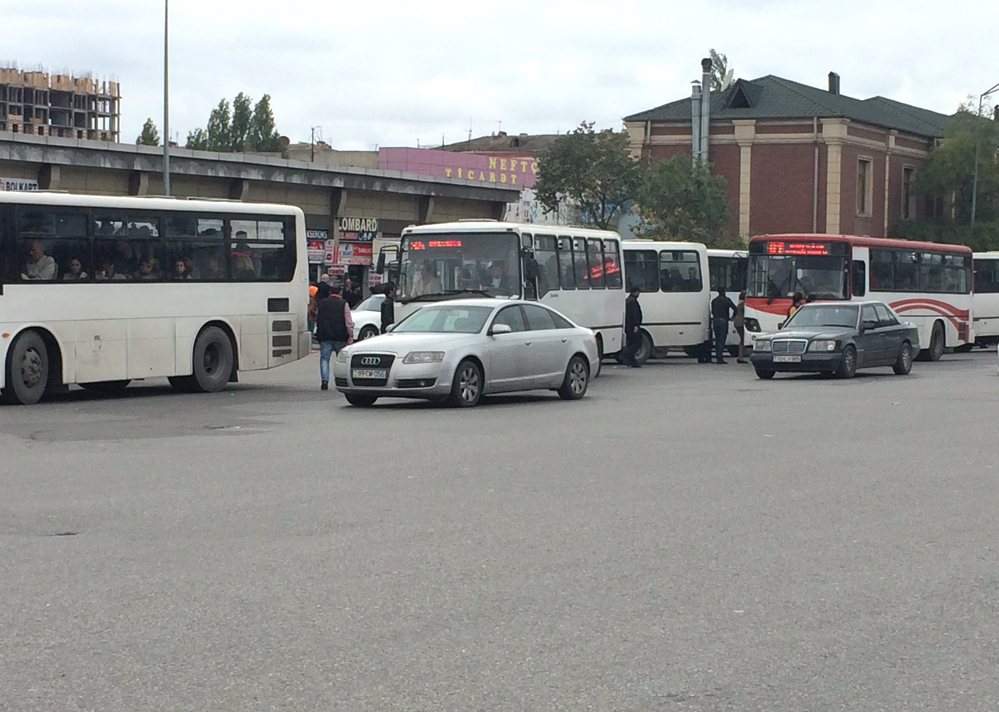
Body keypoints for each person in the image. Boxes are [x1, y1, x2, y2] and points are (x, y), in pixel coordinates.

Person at [315, 282, 354, 391]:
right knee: (341, 359)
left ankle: (324, 380)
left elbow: (318, 319)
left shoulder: (322, 303)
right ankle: (341, 379)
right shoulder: (343, 304)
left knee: (324, 359)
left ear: (329, 292)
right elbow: (348, 321)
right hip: (340, 336)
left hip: (325, 335)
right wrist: (350, 334)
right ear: (340, 292)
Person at [710, 286, 737, 364]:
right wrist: (732, 317)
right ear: (724, 291)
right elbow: (735, 309)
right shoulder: (726, 300)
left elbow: (712, 311)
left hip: (715, 320)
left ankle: (717, 356)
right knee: (722, 339)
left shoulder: (714, 300)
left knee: (717, 339)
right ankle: (720, 358)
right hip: (723, 320)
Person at [623, 285, 643, 368]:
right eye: (638, 292)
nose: (639, 293)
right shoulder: (632, 302)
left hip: (628, 326)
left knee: (630, 343)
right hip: (632, 326)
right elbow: (634, 314)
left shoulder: (628, 300)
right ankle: (626, 356)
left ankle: (631, 361)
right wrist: (636, 324)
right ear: (636, 292)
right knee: (638, 342)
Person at [734, 290, 747, 363]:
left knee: (742, 339)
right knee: (742, 339)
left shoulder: (739, 302)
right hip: (740, 322)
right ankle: (740, 357)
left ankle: (740, 357)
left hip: (737, 322)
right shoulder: (743, 303)